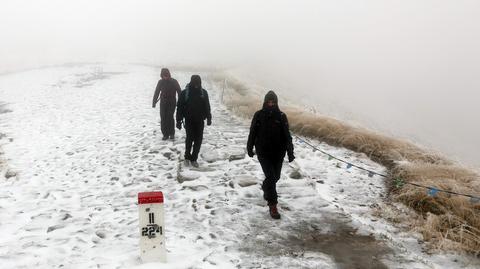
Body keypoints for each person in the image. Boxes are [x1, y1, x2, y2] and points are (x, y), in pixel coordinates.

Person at [247, 91, 295, 219]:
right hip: (263, 152)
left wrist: (290, 152)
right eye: (268, 102)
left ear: (276, 103)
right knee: (271, 176)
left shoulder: (281, 116)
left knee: (275, 177)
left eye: (273, 102)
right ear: (264, 102)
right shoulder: (258, 115)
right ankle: (273, 205)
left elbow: (287, 135)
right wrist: (249, 147)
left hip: (278, 153)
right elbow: (252, 132)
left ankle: (265, 187)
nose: (270, 104)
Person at [176, 75, 212, 168]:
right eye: (195, 83)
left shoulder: (203, 93)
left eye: (198, 83)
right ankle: (187, 157)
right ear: (191, 82)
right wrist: (178, 120)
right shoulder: (185, 93)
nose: (196, 85)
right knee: (189, 139)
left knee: (198, 140)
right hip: (189, 120)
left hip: (200, 120)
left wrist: (209, 118)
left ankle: (194, 158)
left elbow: (207, 106)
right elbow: (179, 107)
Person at [152, 68, 181, 140]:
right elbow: (157, 92)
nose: (165, 77)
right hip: (163, 103)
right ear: (161, 75)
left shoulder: (174, 81)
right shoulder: (160, 82)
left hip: (172, 102)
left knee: (170, 117)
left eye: (166, 75)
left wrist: (180, 102)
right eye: (164, 76)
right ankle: (165, 134)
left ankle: (171, 133)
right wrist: (154, 102)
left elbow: (179, 92)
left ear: (169, 74)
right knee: (163, 118)